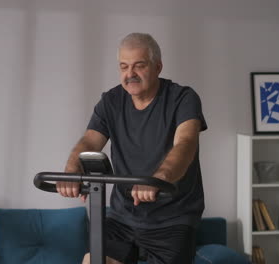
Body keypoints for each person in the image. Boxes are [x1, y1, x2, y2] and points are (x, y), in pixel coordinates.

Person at [56, 32, 207, 264]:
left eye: (139, 66)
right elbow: (89, 141)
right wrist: (71, 171)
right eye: (124, 67)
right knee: (92, 261)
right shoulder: (111, 101)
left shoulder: (183, 98)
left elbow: (185, 145)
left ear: (157, 67)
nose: (130, 74)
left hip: (172, 219)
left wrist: (159, 178)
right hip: (122, 217)